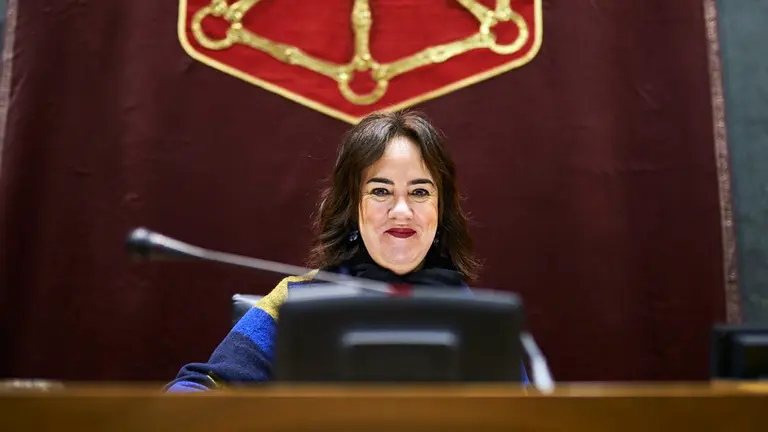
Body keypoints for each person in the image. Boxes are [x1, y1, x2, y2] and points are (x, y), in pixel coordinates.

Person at [166, 110, 528, 391]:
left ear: (441, 211)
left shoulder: (480, 317)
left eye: (420, 192)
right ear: (352, 209)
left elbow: (527, 414)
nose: (402, 210)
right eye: (380, 191)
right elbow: (204, 384)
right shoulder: (294, 300)